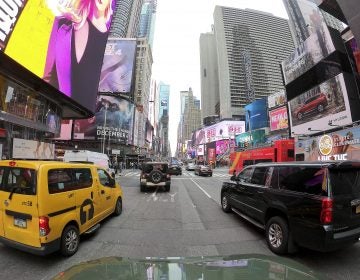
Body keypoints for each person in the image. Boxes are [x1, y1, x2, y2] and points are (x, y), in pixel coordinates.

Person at [43, 0, 114, 111]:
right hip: (52, 112)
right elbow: (48, 75)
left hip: (79, 122)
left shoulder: (107, 45)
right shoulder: (62, 23)